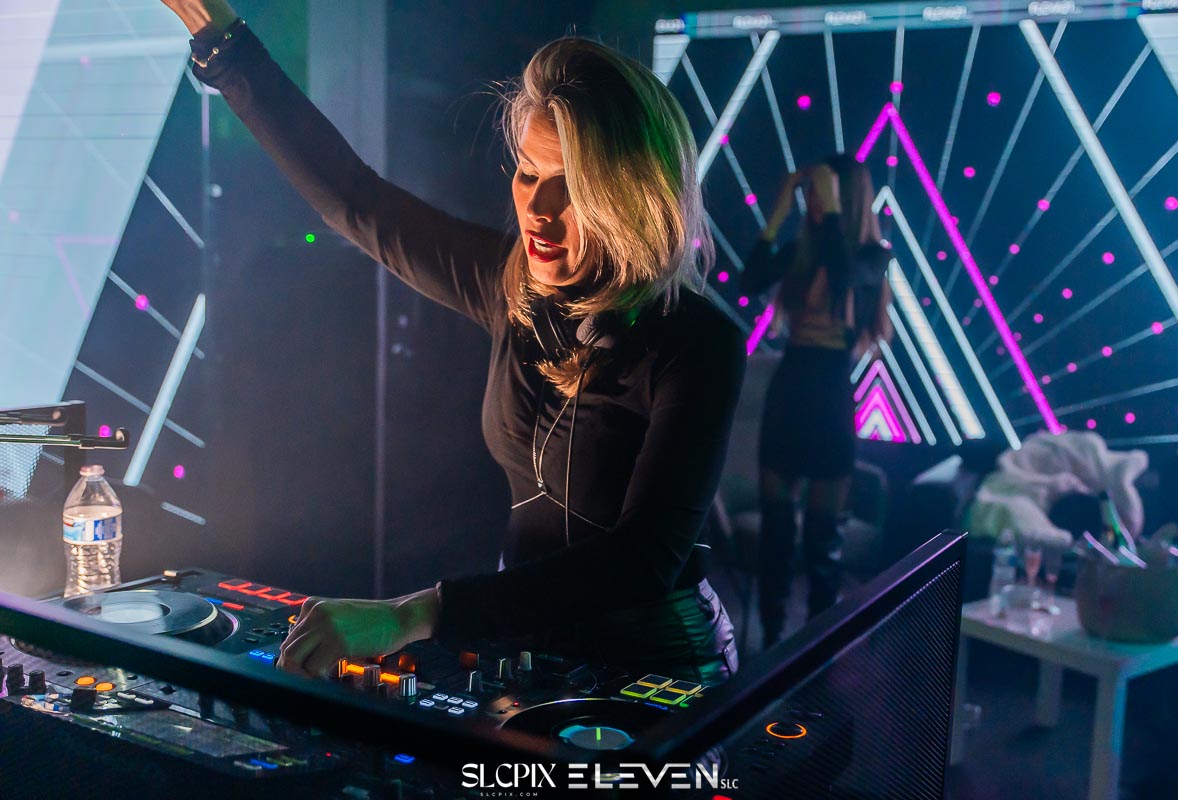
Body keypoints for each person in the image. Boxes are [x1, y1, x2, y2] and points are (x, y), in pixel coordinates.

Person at [159, 1, 745, 685]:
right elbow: (357, 201)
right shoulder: (511, 286)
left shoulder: (698, 343)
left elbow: (641, 561)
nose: (539, 211)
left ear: (631, 195)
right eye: (528, 174)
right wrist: (222, 39)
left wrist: (417, 613)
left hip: (658, 671)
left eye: (571, 187)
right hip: (525, 652)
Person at [741, 154, 892, 647]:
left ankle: (819, 651)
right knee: (776, 535)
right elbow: (749, 281)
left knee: (823, 544)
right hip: (790, 392)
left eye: (823, 191)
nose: (814, 200)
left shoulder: (872, 258)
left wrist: (828, 210)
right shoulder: (801, 252)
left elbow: (843, 276)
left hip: (830, 400)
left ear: (845, 197)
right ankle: (769, 644)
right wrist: (779, 211)